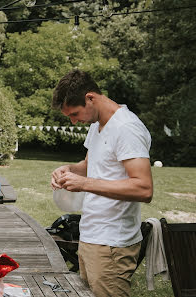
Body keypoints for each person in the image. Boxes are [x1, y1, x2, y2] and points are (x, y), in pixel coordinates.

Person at [50, 69, 153, 297]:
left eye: (75, 113)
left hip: (112, 244)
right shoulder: (97, 126)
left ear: (90, 98)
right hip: (91, 236)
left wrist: (84, 183)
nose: (74, 121)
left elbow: (144, 188)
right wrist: (68, 170)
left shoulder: (126, 128)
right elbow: (90, 165)